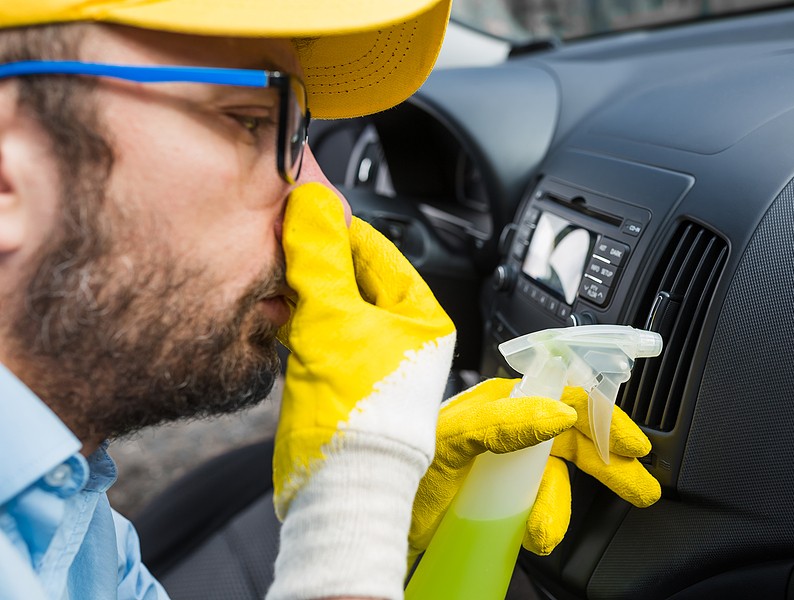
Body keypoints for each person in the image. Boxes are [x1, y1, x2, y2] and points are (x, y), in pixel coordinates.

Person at [0, 1, 661, 599]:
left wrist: (384, 528)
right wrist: (355, 495)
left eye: (301, 134)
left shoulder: (68, 505)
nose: (327, 202)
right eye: (251, 119)